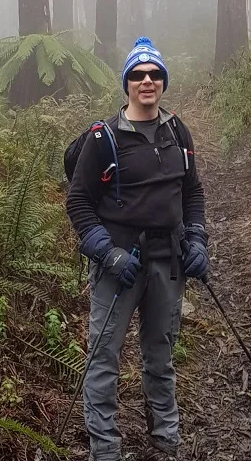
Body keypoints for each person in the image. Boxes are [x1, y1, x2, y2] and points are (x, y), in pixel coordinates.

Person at [66, 37, 209, 461]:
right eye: (137, 75)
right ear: (126, 83)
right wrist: (105, 252)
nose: (147, 81)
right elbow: (77, 201)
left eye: (154, 74)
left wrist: (197, 238)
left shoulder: (177, 131)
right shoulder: (104, 138)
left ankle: (166, 439)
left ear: (162, 81)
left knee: (160, 356)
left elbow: (193, 192)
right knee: (103, 358)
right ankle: (104, 447)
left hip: (169, 263)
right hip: (118, 265)